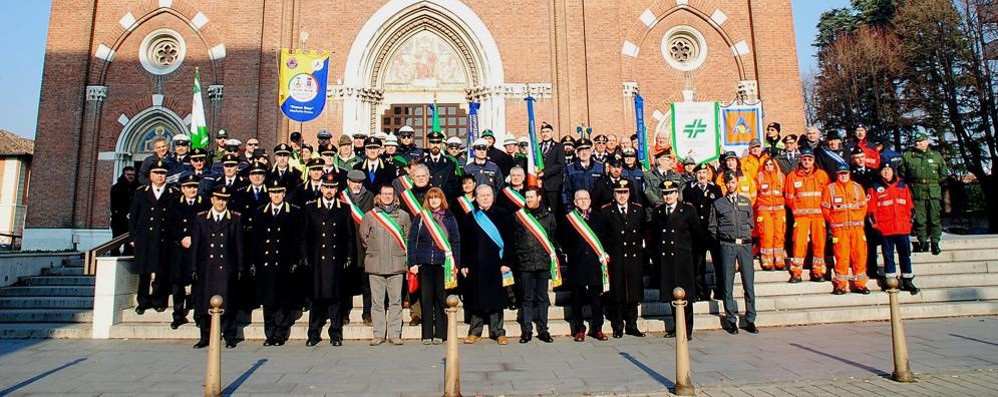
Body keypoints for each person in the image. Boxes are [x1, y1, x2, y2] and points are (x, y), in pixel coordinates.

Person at [248, 180, 305, 346]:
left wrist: (296, 260)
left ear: (284, 193)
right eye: (273, 192)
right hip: (266, 263)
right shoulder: (260, 212)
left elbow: (297, 239)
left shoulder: (293, 212)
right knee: (268, 301)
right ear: (269, 194)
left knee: (282, 300)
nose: (276, 196)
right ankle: (269, 333)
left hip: (285, 263)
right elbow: (256, 240)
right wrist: (253, 261)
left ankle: (281, 332)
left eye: (279, 192)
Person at [302, 172, 355, 346]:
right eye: (326, 187)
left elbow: (349, 236)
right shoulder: (311, 208)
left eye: (332, 187)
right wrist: (305, 257)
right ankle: (313, 334)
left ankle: (335, 334)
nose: (329, 190)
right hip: (317, 260)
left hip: (336, 260)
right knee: (316, 300)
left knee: (335, 300)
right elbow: (305, 236)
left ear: (337, 188)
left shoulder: (344, 208)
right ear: (321, 188)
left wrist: (349, 256)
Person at [190, 184, 244, 349]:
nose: (221, 202)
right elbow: (196, 245)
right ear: (212, 199)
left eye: (224, 199)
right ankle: (205, 336)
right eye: (218, 199)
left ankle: (230, 336)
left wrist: (241, 266)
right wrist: (193, 267)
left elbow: (239, 245)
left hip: (226, 266)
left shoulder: (234, 218)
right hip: (207, 267)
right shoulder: (201, 218)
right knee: (205, 303)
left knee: (228, 303)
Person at [461, 184, 515, 345]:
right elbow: (465, 243)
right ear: (476, 198)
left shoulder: (504, 215)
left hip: (497, 264)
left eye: (488, 195)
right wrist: (464, 263)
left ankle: (498, 332)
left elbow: (511, 241)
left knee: (496, 300)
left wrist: (507, 262)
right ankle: (474, 331)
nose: (485, 198)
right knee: (475, 300)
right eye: (481, 195)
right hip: (476, 265)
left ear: (493, 196)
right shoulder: (470, 217)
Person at [407, 187, 461, 344]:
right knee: (426, 298)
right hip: (424, 264)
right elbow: (411, 241)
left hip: (442, 264)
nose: (434, 200)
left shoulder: (449, 218)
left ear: (441, 199)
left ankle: (440, 333)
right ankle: (427, 334)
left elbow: (456, 241)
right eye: (431, 198)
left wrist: (455, 263)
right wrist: (412, 262)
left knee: (440, 298)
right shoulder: (421, 217)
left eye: (436, 197)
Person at [360, 183, 412, 346]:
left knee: (396, 301)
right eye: (385, 193)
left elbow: (407, 238)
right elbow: (364, 237)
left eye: (390, 193)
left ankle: (395, 333)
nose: (387, 196)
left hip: (396, 264)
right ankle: (378, 334)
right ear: (379, 196)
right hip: (375, 264)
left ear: (394, 196)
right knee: (377, 301)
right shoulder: (370, 216)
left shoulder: (403, 216)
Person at [651, 180, 703, 338]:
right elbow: (655, 236)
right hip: (666, 259)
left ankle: (686, 329)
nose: (667, 196)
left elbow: (697, 234)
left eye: (671, 193)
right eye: (665, 193)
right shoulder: (659, 212)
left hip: (683, 259)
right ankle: (676, 326)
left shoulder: (687, 210)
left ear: (677, 194)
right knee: (671, 295)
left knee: (685, 296)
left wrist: (694, 258)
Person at [709, 171, 759, 335]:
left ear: (737, 182)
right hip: (727, 245)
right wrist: (724, 239)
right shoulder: (718, 204)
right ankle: (731, 320)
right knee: (727, 284)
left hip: (744, 245)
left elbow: (751, 224)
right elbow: (712, 227)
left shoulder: (746, 202)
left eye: (733, 182)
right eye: (728, 183)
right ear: (724, 184)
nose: (731, 185)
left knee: (748, 284)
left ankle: (750, 319)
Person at [598, 179, 646, 338]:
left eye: (625, 192)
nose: (622, 195)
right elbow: (603, 234)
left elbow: (643, 231)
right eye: (619, 192)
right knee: (617, 293)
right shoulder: (606, 211)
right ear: (614, 193)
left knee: (633, 293)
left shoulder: (638, 210)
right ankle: (617, 325)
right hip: (616, 256)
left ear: (629, 193)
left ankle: (632, 325)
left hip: (633, 256)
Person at [129, 160, 177, 314]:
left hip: (163, 238)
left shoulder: (173, 192)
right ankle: (142, 301)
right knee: (144, 272)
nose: (159, 176)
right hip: (145, 238)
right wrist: (132, 237)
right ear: (150, 175)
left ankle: (158, 300)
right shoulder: (141, 192)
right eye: (156, 173)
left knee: (161, 271)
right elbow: (134, 216)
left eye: (162, 173)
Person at [512, 187, 556, 343]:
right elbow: (515, 239)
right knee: (526, 298)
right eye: (527, 197)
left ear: (539, 197)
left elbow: (552, 237)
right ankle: (527, 330)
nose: (529, 199)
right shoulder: (519, 217)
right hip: (525, 262)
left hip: (543, 262)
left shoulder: (548, 216)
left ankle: (543, 330)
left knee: (543, 297)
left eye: (532, 197)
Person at [564, 189, 609, 342]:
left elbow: (605, 238)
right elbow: (563, 240)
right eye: (579, 199)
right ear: (575, 202)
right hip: (577, 264)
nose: (583, 201)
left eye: (585, 198)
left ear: (590, 201)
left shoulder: (599, 218)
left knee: (597, 299)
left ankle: (597, 328)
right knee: (577, 299)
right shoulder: (569, 219)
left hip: (595, 265)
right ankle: (579, 329)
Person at [868, 163, 919, 294]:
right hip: (886, 229)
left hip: (902, 228)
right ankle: (890, 281)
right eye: (883, 170)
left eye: (888, 170)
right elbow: (871, 210)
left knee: (905, 255)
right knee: (888, 256)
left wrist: (910, 223)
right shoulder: (875, 187)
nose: (886, 172)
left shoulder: (903, 185)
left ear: (893, 171)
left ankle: (907, 280)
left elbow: (910, 207)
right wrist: (875, 226)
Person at [166, 173, 208, 330]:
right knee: (177, 284)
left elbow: (207, 227)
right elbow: (169, 225)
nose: (192, 190)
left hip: (197, 249)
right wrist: (181, 237)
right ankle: (178, 315)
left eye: (195, 187)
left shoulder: (204, 204)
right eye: (189, 187)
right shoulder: (175, 204)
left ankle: (198, 315)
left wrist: (193, 238)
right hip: (179, 249)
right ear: (182, 189)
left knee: (197, 283)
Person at [822, 164, 870, 295]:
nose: (843, 176)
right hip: (840, 230)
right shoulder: (830, 189)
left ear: (849, 174)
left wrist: (859, 218)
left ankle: (861, 284)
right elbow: (826, 209)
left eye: (845, 173)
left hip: (856, 229)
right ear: (837, 175)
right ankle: (840, 285)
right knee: (841, 257)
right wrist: (833, 221)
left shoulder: (857, 188)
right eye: (840, 174)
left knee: (860, 255)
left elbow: (863, 206)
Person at [785, 147, 830, 283]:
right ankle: (796, 273)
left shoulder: (822, 175)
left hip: (818, 216)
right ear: (801, 160)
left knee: (819, 244)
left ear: (813, 161)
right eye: (804, 159)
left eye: (810, 159)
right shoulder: (792, 176)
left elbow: (827, 196)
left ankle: (818, 272)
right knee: (799, 244)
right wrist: (798, 209)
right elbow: (789, 197)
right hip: (801, 217)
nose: (807, 162)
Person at [900, 132, 947, 255]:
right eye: (916, 141)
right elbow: (902, 173)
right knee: (920, 219)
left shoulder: (936, 156)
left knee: (934, 218)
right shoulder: (909, 156)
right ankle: (922, 242)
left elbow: (943, 174)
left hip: (933, 191)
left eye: (921, 141)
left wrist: (933, 183)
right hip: (916, 191)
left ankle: (935, 242)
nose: (918, 143)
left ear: (927, 142)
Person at [682, 163, 723, 301]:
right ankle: (701, 292)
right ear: (695, 175)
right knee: (698, 265)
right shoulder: (688, 189)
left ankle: (721, 290)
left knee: (719, 262)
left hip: (712, 231)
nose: (702, 175)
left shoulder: (715, 189)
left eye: (704, 172)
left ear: (708, 174)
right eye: (699, 173)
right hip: (697, 232)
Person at [341, 169, 375, 326]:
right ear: (348, 182)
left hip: (364, 245)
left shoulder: (370, 196)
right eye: (354, 182)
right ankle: (344, 313)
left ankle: (367, 313)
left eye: (359, 182)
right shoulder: (341, 197)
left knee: (366, 282)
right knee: (345, 282)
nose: (356, 185)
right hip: (346, 244)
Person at [755, 158, 787, 271]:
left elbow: (785, 192)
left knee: (779, 235)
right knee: (766, 235)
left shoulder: (781, 177)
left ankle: (779, 259)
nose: (769, 166)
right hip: (765, 210)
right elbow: (755, 193)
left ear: (775, 165)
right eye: (766, 164)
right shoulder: (759, 177)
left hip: (779, 210)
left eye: (771, 164)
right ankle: (767, 260)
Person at [562, 138, 605, 211]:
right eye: (581, 150)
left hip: (596, 210)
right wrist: (569, 209)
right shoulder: (570, 169)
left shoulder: (600, 167)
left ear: (591, 151)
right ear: (577, 153)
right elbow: (566, 192)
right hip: (576, 210)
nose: (584, 153)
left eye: (587, 150)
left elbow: (604, 190)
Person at [538, 122, 567, 216]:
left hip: (553, 185)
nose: (545, 134)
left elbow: (560, 165)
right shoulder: (537, 147)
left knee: (554, 212)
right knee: (541, 212)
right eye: (543, 132)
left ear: (552, 133)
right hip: (539, 186)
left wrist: (544, 173)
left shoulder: (559, 147)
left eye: (547, 131)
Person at [110, 166, 137, 255]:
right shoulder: (116, 188)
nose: (131, 177)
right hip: (119, 220)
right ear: (124, 174)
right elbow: (114, 205)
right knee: (116, 243)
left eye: (132, 175)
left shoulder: (137, 188)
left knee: (130, 245)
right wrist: (123, 214)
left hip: (132, 221)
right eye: (128, 174)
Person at [424, 131, 459, 195]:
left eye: (438, 142)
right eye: (432, 142)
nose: (435, 145)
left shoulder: (449, 163)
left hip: (444, 199)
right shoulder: (422, 162)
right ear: (428, 144)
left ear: (441, 144)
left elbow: (452, 184)